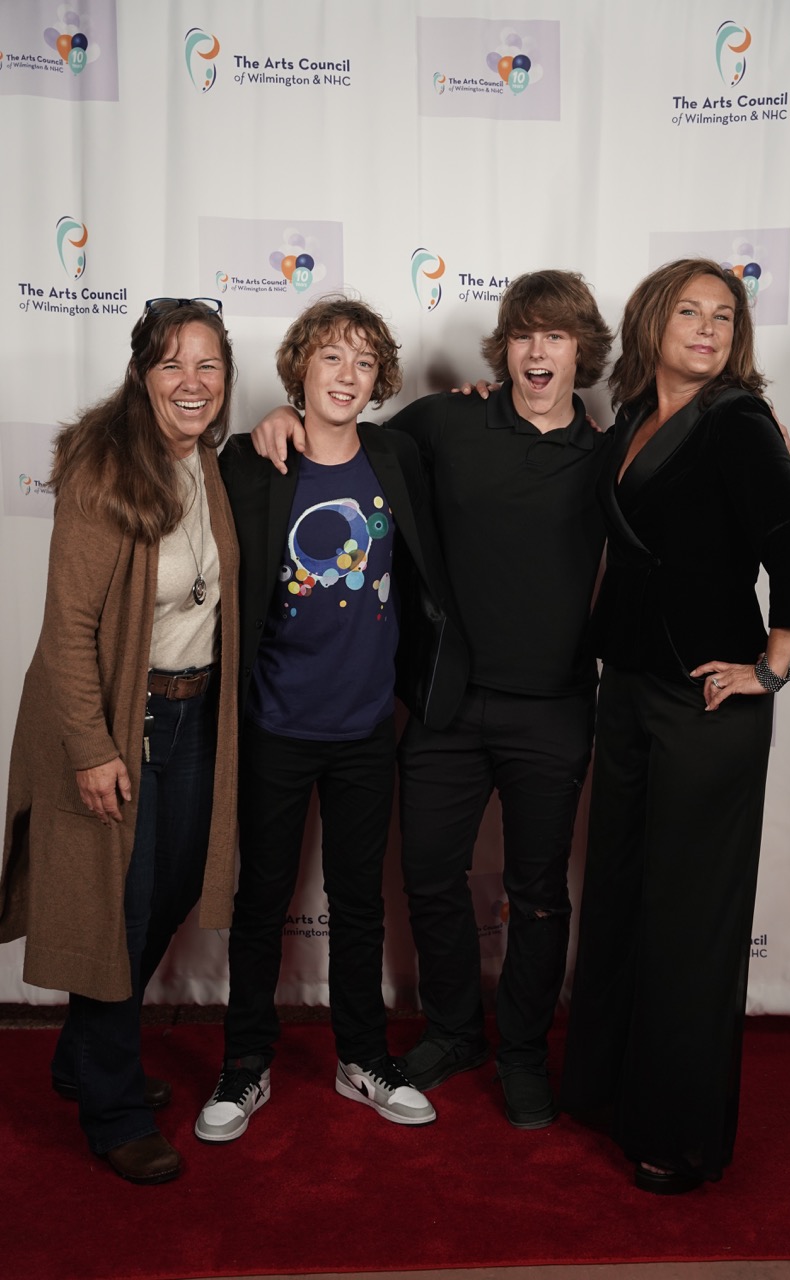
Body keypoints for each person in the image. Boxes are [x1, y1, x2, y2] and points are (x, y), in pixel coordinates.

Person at [250, 271, 613, 1129]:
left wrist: (755, 419)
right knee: (428, 877)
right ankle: (454, 1031)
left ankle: (521, 1051)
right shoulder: (444, 422)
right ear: (504, 348)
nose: (536, 351)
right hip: (445, 705)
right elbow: (344, 442)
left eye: (555, 336)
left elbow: (689, 457)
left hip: (553, 709)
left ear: (581, 353)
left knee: (537, 892)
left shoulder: (610, 450)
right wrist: (278, 419)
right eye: (523, 334)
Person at [559, 258, 790, 1193]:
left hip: (707, 703)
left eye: (723, 315)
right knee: (619, 891)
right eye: (688, 312)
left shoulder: (738, 422)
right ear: (652, 324)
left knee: (686, 920)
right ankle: (605, 1087)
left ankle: (677, 1135)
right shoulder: (634, 414)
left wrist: (770, 666)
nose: (707, 328)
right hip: (628, 687)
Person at [194, 297, 467, 1144]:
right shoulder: (252, 462)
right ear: (300, 371)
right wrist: (270, 425)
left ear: (379, 379)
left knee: (357, 903)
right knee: (261, 899)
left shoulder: (396, 455)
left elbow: (467, 432)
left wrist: (488, 393)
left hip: (365, 729)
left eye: (363, 362)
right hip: (275, 724)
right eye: (330, 359)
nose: (347, 376)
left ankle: (362, 1058)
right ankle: (246, 1063)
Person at [0, 298, 240, 1184]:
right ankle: (112, 1110)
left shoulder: (205, 461)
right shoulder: (107, 468)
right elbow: (67, 629)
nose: (192, 382)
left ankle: (81, 1054)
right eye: (172, 364)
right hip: (115, 721)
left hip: (194, 713)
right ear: (142, 374)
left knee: (172, 889)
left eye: (208, 365)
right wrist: (93, 750)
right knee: (116, 914)